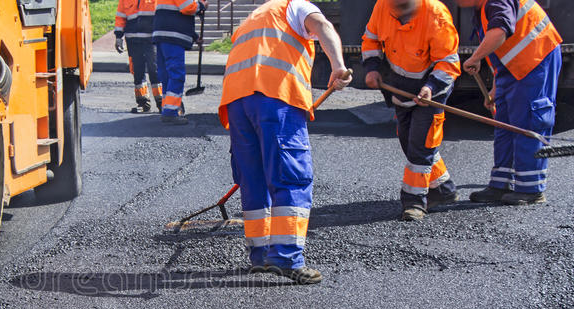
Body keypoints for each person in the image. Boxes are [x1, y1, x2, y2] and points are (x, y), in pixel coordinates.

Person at [218, 0, 351, 284]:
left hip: (237, 103)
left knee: (253, 179)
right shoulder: (296, 6)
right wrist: (338, 65)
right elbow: (323, 26)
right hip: (275, 97)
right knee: (291, 176)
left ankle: (260, 256)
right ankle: (287, 257)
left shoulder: (253, 18)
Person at [362, 0, 462, 221]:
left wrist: (430, 87)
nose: (399, 12)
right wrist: (372, 68)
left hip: (432, 91)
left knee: (421, 145)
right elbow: (371, 39)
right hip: (400, 87)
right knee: (408, 140)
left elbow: (448, 62)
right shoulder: (382, 6)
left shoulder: (436, 15)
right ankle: (444, 188)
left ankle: (414, 202)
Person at [455, 0, 562, 205]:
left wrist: (475, 57)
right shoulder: (482, 8)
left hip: (536, 57)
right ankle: (500, 184)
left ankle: (531, 189)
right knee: (504, 123)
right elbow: (503, 50)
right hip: (512, 67)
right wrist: (497, 88)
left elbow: (500, 31)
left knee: (529, 121)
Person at [153, 0, 208, 125]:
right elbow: (187, 7)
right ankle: (170, 112)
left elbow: (175, 14)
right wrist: (201, 5)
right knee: (176, 75)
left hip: (162, 34)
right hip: (172, 37)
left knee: (166, 75)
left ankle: (167, 108)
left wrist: (194, 36)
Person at [115, 0, 163, 113]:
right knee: (137, 71)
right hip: (133, 40)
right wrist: (118, 36)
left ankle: (161, 102)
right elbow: (121, 16)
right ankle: (143, 103)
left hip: (152, 39)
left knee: (155, 69)